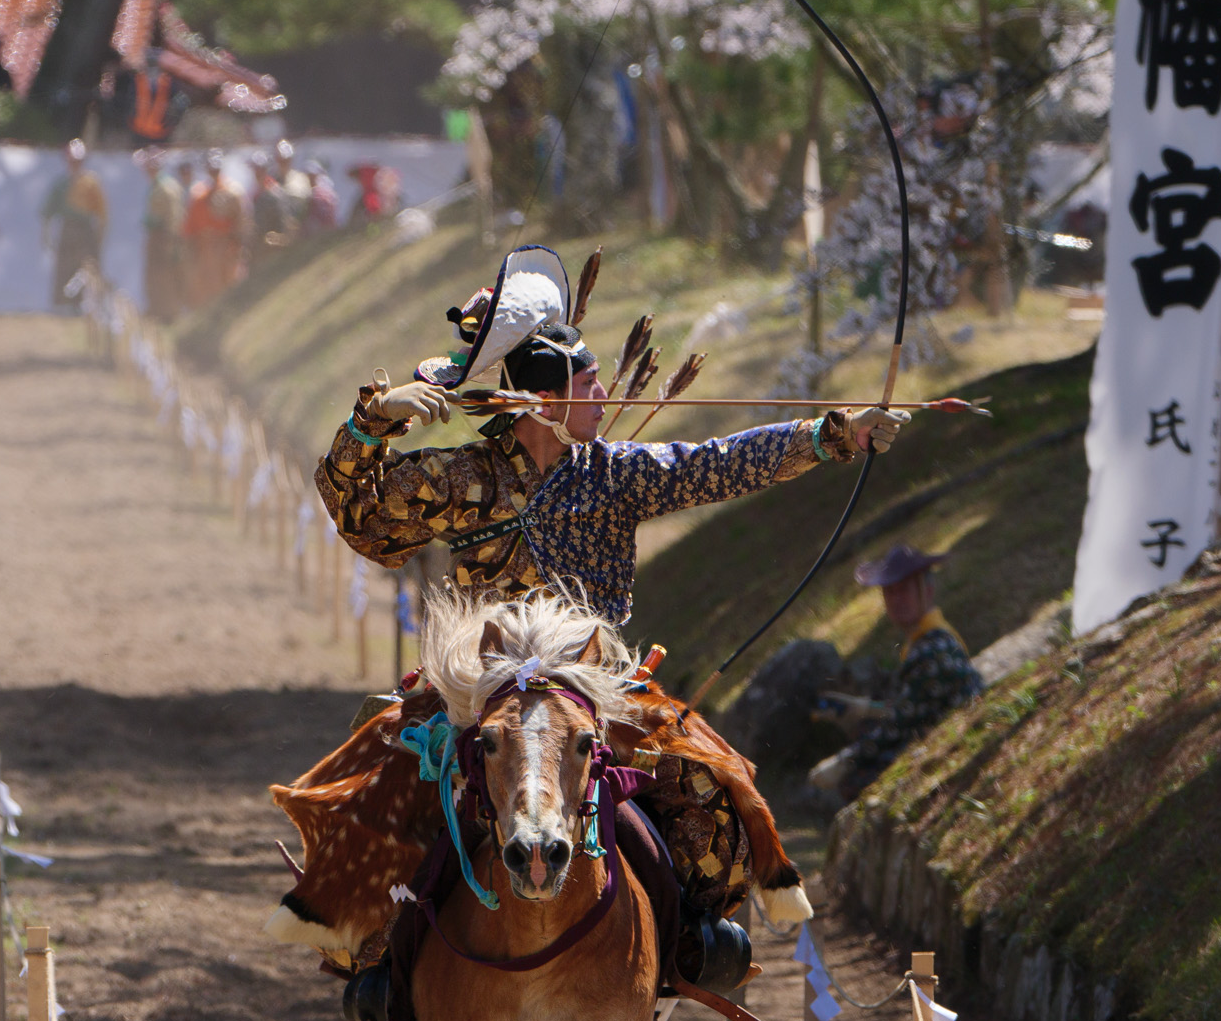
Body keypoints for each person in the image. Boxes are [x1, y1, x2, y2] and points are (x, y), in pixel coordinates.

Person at [301, 244, 905, 936]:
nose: (603, 398)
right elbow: (362, 518)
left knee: (709, 787)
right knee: (382, 788)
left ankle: (693, 935)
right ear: (541, 402)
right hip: (477, 691)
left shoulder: (616, 473)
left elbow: (720, 463)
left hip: (596, 688)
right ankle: (378, 953)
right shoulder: (459, 476)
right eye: (588, 386)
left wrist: (834, 435)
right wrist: (372, 423)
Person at [807, 545, 984, 801]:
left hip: (959, 747)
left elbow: (900, 726)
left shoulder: (932, 648)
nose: (897, 600)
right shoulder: (925, 640)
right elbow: (915, 706)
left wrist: (845, 761)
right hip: (948, 740)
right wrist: (867, 708)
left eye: (904, 590)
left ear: (928, 591)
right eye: (890, 592)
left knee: (859, 780)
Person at [40, 139, 107, 309]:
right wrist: (45, 234)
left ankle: (88, 307)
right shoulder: (61, 183)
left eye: (78, 161)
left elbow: (101, 212)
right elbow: (48, 211)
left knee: (87, 267)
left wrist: (100, 235)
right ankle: (63, 304)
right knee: (64, 266)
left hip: (85, 229)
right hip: (67, 228)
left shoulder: (91, 182)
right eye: (72, 160)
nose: (75, 164)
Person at [181, 150, 250, 307]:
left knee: (230, 283)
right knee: (207, 288)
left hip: (227, 248)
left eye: (216, 168)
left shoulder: (233, 192)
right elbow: (190, 228)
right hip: (205, 250)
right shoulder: (198, 195)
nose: (213, 171)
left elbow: (241, 223)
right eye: (210, 168)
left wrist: (237, 246)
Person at [141, 151, 187, 321]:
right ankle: (157, 309)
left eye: (152, 166)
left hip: (165, 237)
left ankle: (169, 313)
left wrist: (172, 241)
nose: (148, 169)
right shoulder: (155, 185)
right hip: (156, 236)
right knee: (154, 275)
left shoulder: (167, 187)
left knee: (166, 276)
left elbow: (174, 216)